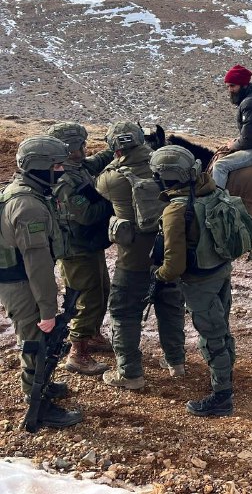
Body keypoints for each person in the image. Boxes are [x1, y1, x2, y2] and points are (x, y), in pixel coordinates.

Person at [0, 136, 82, 428]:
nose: (61, 170)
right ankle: (36, 400)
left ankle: (40, 385)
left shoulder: (27, 192)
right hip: (22, 282)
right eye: (57, 165)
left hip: (20, 279)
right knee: (36, 340)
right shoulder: (28, 205)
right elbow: (38, 265)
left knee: (38, 339)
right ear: (39, 167)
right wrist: (48, 310)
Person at [96, 122, 185, 390]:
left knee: (124, 312)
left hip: (133, 257)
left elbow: (97, 185)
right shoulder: (165, 167)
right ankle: (176, 362)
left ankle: (130, 373)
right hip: (168, 251)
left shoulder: (113, 177)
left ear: (116, 147)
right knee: (170, 306)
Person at [150, 145, 236, 416]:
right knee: (222, 327)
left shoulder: (175, 211)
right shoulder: (211, 191)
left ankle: (222, 395)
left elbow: (174, 265)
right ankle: (226, 375)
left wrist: (159, 275)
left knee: (211, 336)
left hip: (199, 281)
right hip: (220, 269)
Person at [47, 122, 114, 375]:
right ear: (69, 149)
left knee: (101, 289)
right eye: (81, 145)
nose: (86, 149)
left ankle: (92, 334)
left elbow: (96, 162)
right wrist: (112, 203)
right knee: (86, 298)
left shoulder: (76, 166)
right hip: (75, 248)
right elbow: (85, 214)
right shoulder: (63, 180)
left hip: (89, 243)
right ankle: (78, 352)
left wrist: (116, 146)